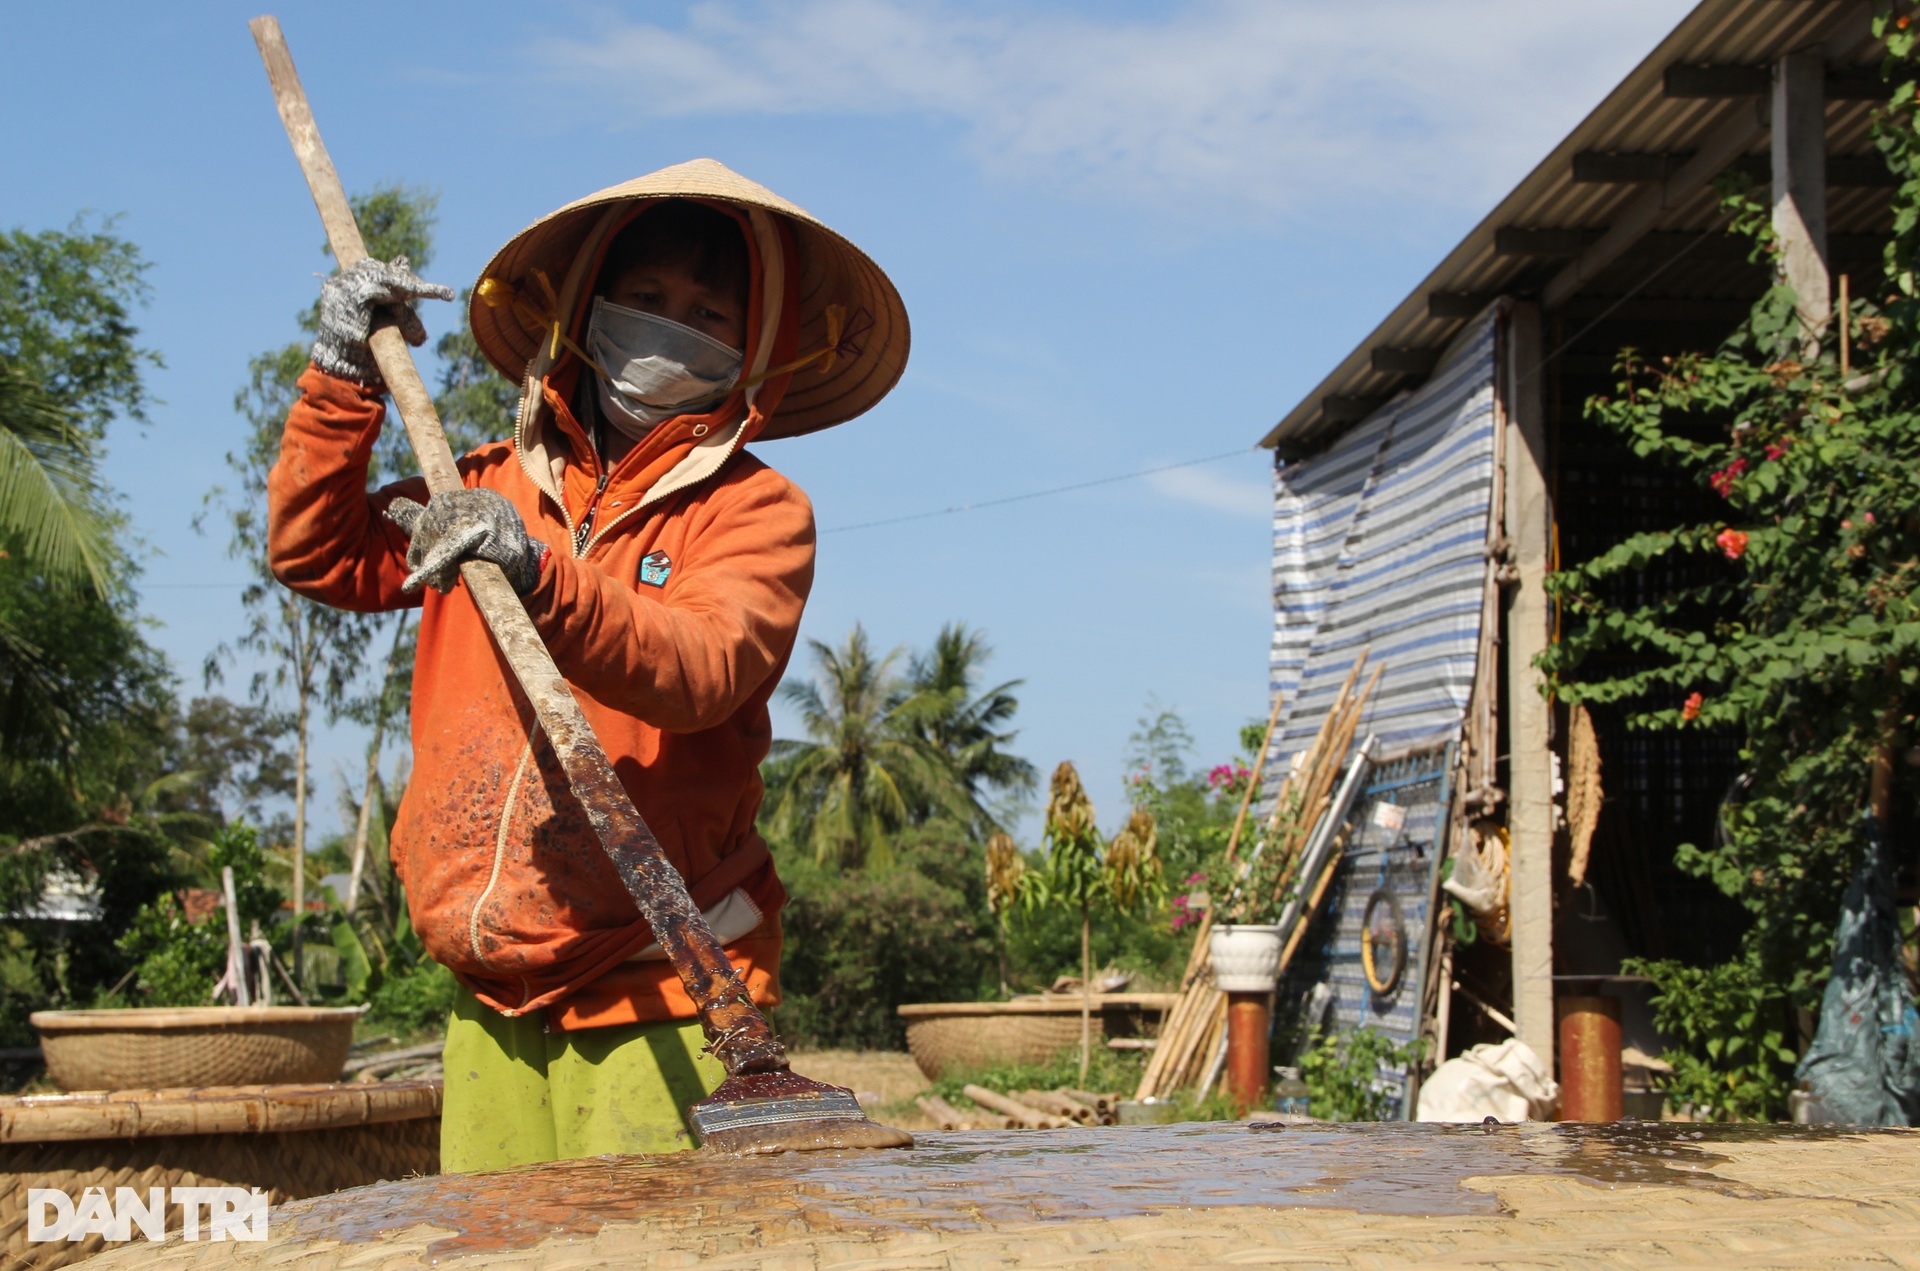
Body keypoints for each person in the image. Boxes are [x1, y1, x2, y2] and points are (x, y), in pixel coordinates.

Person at [267, 160, 908, 1170]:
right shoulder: (475, 484)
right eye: (646, 300)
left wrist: (538, 571)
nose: (669, 326)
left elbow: (703, 665)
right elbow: (321, 550)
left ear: (755, 343)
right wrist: (342, 370)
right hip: (490, 981)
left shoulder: (756, 510)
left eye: (706, 311)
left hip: (660, 979)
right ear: (590, 309)